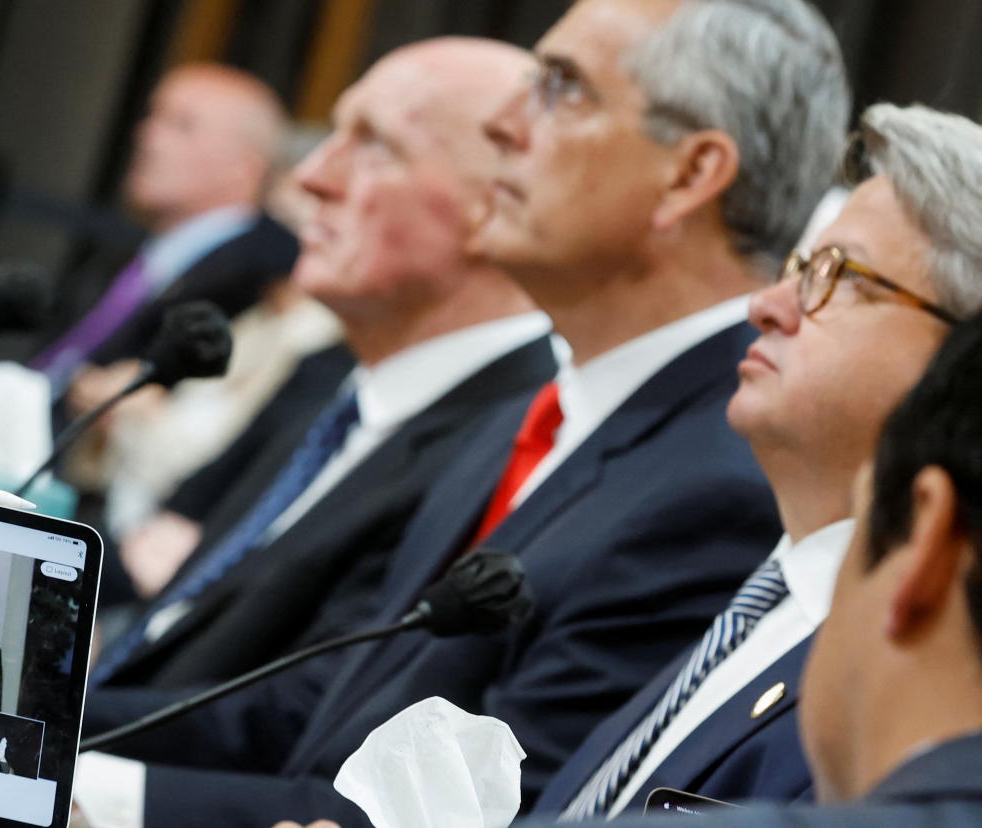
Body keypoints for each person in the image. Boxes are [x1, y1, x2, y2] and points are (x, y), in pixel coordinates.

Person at [86, 1, 848, 825]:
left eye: (561, 89)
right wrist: (46, 730)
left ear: (690, 174)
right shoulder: (531, 417)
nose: (508, 129)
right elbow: (330, 711)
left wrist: (82, 790)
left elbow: (464, 815)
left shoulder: (720, 482)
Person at [527, 101, 982, 821]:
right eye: (798, 266)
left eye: (839, 275)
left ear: (960, 355)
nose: (766, 306)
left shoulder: (913, 677)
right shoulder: (763, 587)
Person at [79, 36, 556, 721]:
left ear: (495, 204)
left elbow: (304, 721)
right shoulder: (348, 387)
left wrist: (47, 718)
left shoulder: (517, 437)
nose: (312, 178)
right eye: (333, 135)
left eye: (375, 146)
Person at [0, 63, 299, 467]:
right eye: (152, 116)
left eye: (181, 124)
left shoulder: (260, 267)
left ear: (244, 167)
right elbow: (61, 364)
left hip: (77, 473)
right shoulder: (142, 255)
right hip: (31, 439)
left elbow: (125, 398)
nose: (147, 135)